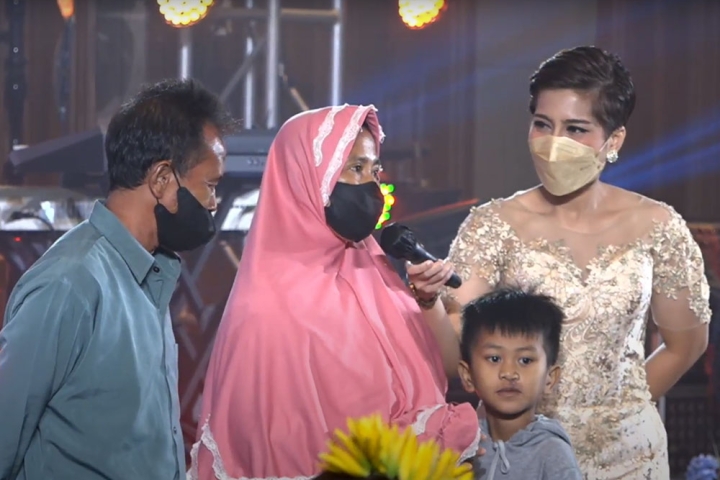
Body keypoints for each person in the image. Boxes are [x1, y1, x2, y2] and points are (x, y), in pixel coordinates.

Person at [407, 46, 711, 478]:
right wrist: (427, 302)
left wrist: (620, 412)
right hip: (518, 452)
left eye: (576, 129)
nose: (554, 144)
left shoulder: (658, 226)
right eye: (542, 125)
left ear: (614, 140)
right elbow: (456, 352)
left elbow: (686, 345)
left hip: (628, 455)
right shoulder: (492, 225)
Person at [189, 104, 479, 479]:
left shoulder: (372, 268)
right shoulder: (266, 308)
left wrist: (427, 300)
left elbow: (448, 365)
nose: (371, 185)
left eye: (374, 170)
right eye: (355, 168)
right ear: (307, 178)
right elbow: (275, 450)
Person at [0, 78, 233, 480]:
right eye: (209, 187)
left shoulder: (151, 273)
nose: (214, 204)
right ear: (162, 178)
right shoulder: (69, 284)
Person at [458, 288, 582, 480]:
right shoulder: (460, 442)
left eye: (525, 360)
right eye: (494, 358)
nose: (509, 373)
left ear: (550, 378)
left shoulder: (552, 452)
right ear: (468, 376)